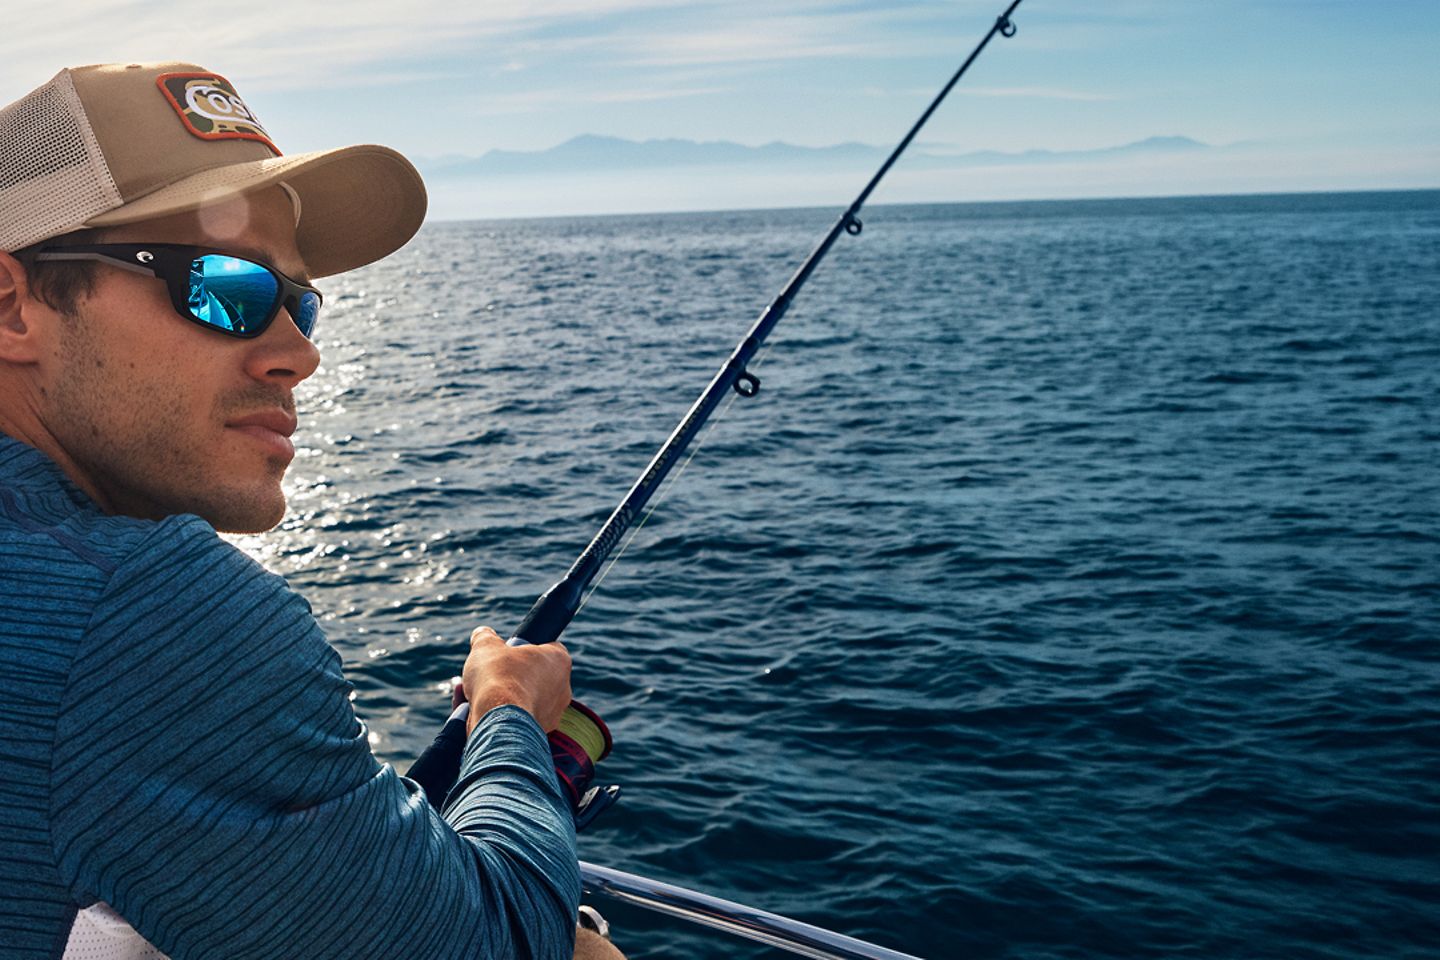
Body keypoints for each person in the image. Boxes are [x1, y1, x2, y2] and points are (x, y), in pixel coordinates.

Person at [0, 62, 623, 959]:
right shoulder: (140, 615)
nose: (297, 354)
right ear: (11, 306)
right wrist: (512, 717)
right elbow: (499, 946)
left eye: (300, 303)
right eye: (224, 289)